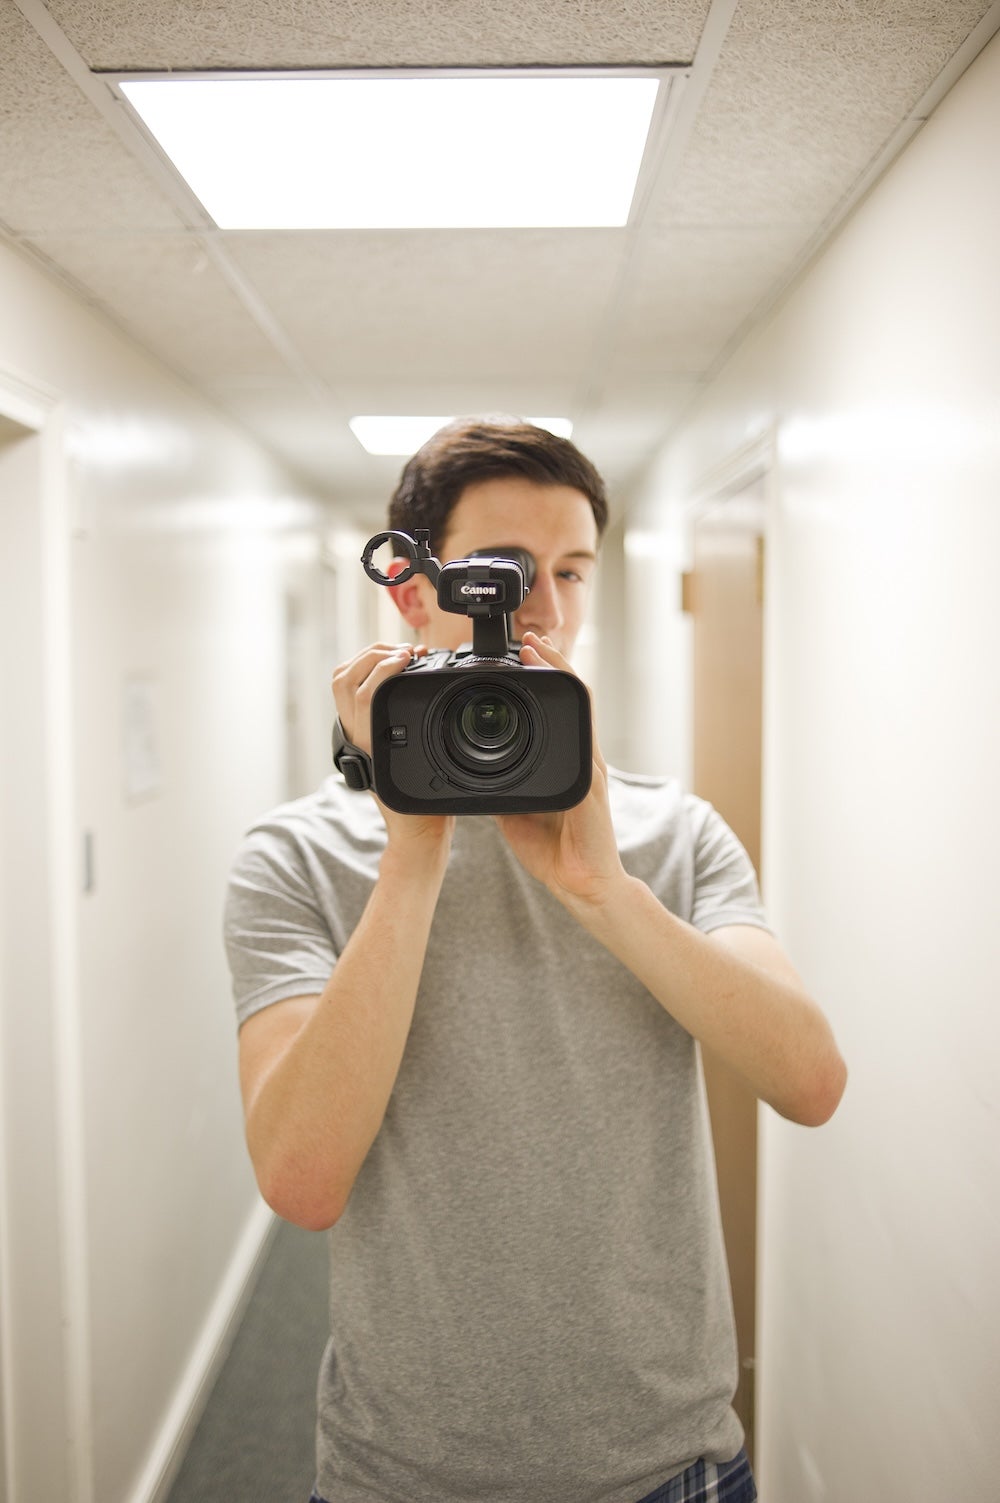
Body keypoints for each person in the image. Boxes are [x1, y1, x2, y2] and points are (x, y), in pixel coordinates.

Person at [224, 419, 847, 1503]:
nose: (547, 610)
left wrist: (604, 889)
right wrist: (410, 855)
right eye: (508, 570)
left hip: (670, 1458)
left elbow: (809, 1082)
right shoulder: (296, 857)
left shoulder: (673, 834)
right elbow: (302, 1182)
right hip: (400, 1472)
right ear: (412, 590)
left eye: (571, 570)